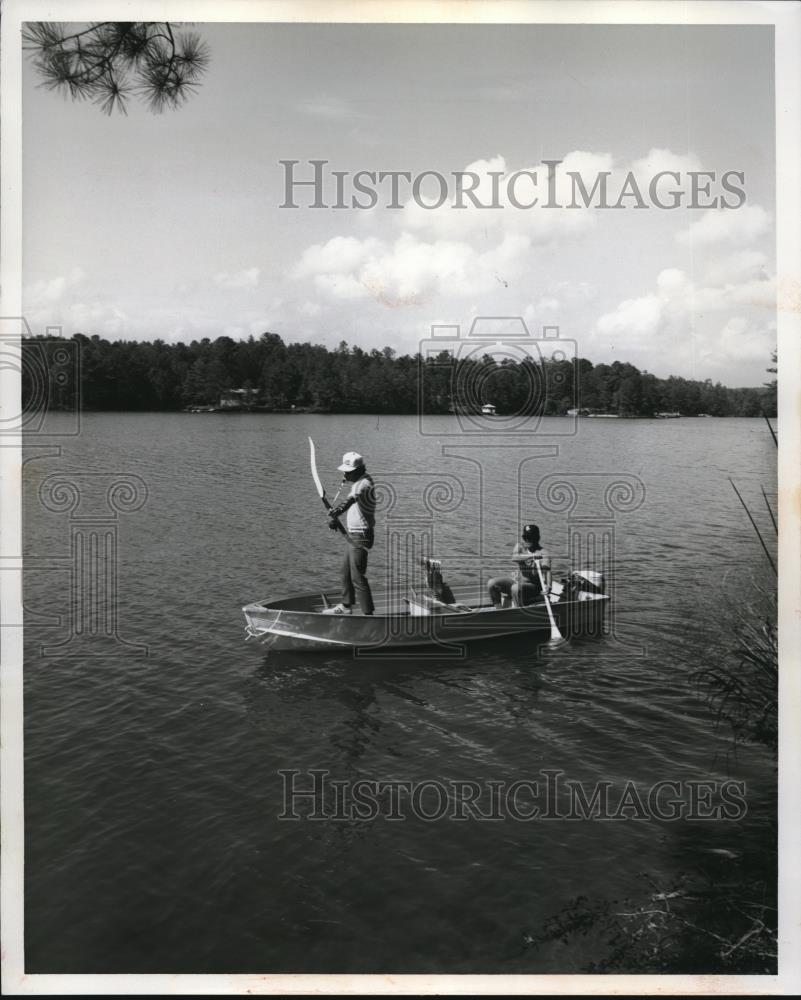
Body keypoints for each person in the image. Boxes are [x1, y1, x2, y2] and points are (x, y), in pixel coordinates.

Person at [322, 451, 376, 616]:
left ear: (358, 470)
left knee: (357, 576)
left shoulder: (364, 484)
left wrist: (336, 512)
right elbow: (353, 509)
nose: (344, 474)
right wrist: (335, 520)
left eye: (347, 471)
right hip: (353, 535)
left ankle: (368, 615)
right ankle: (346, 606)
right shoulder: (358, 482)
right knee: (345, 571)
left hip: (361, 536)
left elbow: (349, 501)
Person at [487, 523, 552, 608]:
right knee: (492, 583)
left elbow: (547, 571)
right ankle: (499, 611)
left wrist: (549, 586)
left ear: (537, 538)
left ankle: (518, 612)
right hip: (517, 582)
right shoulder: (520, 546)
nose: (527, 540)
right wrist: (531, 556)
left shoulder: (543, 553)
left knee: (515, 588)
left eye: (530, 538)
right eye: (525, 538)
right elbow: (514, 557)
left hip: (533, 587)